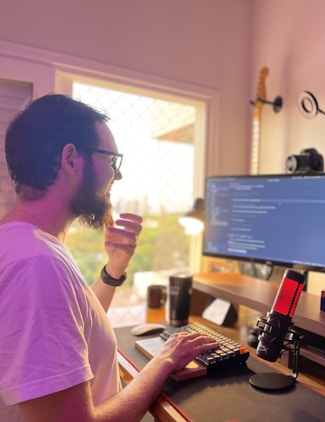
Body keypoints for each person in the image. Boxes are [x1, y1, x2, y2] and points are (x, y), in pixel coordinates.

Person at [0, 94, 219, 422]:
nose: (116, 176)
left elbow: (72, 327)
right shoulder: (37, 263)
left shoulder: (23, 243)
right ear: (71, 158)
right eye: (111, 160)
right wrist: (162, 362)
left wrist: (114, 268)